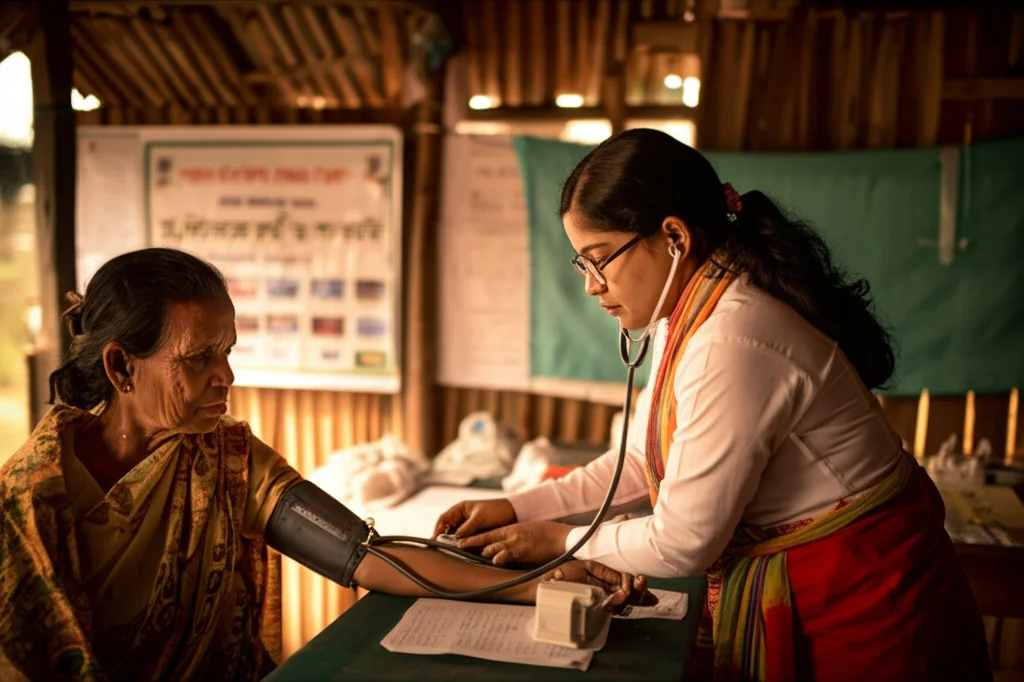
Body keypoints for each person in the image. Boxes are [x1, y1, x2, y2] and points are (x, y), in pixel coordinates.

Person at [434, 129, 993, 681]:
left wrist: (560, 539)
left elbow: (684, 543)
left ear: (673, 236)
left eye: (599, 258)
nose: (591, 285)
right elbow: (640, 462)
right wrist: (519, 508)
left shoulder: (732, 338)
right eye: (582, 264)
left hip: (869, 605)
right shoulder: (692, 311)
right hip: (832, 581)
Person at [0, 248, 650, 682]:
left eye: (228, 352)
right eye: (199, 357)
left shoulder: (225, 458)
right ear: (120, 367)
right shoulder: (30, 504)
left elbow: (368, 555)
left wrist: (536, 580)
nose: (226, 377)